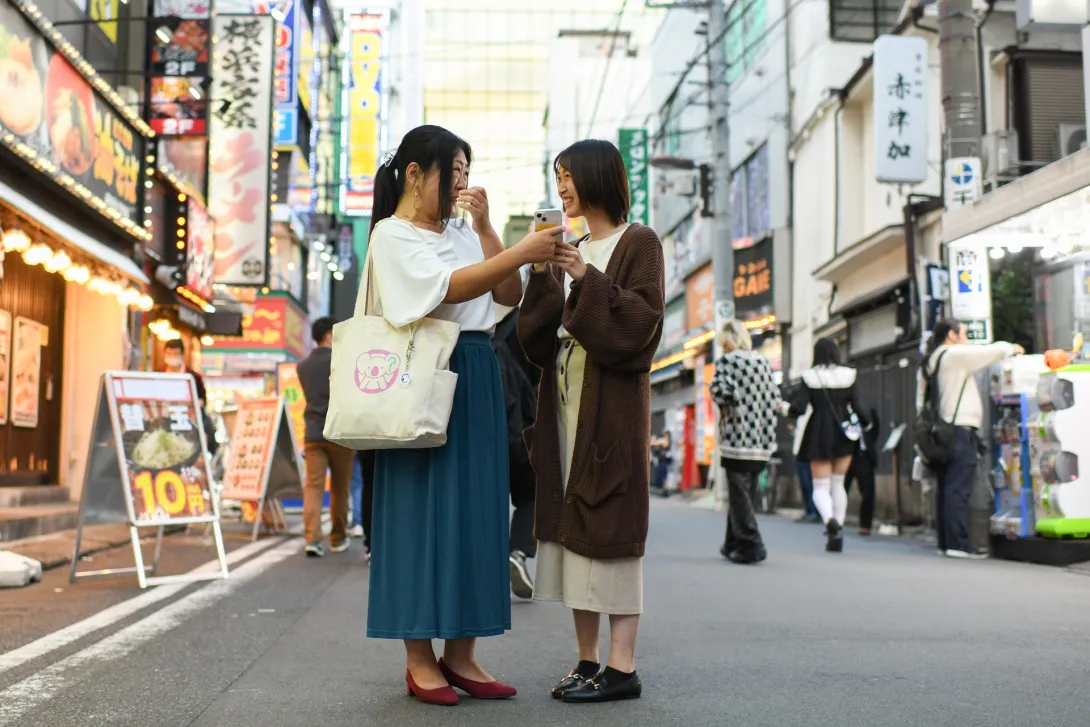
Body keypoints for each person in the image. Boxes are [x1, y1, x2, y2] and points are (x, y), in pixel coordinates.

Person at [365, 124, 564, 706]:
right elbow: (445, 291)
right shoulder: (390, 236)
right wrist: (525, 251)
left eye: (466, 174)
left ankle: (463, 654)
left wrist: (486, 230)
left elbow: (506, 297)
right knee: (418, 515)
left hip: (475, 371)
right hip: (419, 370)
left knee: (478, 514)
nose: (460, 185)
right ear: (414, 174)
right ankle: (419, 658)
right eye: (452, 172)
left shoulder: (459, 231)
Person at [519, 139, 665, 704]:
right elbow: (536, 340)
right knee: (573, 531)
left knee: (613, 529)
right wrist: (542, 276)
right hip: (563, 404)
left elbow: (641, 329)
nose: (562, 188)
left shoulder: (639, 242)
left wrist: (585, 276)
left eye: (569, 176)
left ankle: (621, 668)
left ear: (599, 177)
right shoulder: (574, 244)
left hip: (610, 408)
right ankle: (585, 661)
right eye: (557, 178)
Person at [919, 320, 1023, 559]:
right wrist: (1011, 348)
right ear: (952, 335)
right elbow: (986, 353)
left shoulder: (932, 360)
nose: (966, 338)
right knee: (958, 488)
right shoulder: (953, 355)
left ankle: (947, 543)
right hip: (958, 430)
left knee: (947, 487)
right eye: (964, 333)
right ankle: (958, 544)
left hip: (942, 432)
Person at [785, 338, 869, 553]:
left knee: (820, 486)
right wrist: (867, 425)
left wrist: (784, 408)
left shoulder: (810, 376)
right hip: (843, 432)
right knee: (838, 483)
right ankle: (838, 527)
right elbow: (858, 406)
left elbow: (800, 408)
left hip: (819, 432)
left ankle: (829, 521)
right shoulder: (849, 374)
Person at [709, 319, 781, 565]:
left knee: (739, 495)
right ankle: (732, 543)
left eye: (723, 343)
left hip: (737, 438)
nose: (723, 347)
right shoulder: (762, 361)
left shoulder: (728, 362)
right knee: (744, 495)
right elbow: (774, 397)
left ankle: (752, 544)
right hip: (761, 440)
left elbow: (720, 391)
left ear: (729, 340)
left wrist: (734, 399)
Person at [492, 302, 541, 599]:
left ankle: (482, 562)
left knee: (487, 497)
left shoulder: (476, 319)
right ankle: (518, 551)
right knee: (532, 492)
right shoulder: (526, 322)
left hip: (482, 425)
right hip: (520, 423)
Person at [297, 316, 355, 558]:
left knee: (313, 486)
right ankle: (337, 537)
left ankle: (311, 538)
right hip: (339, 431)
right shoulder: (341, 360)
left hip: (312, 432)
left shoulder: (303, 366)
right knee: (340, 488)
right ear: (330, 336)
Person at [162, 339, 215, 455]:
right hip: (164, 421)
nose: (172, 357)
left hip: (187, 422)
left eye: (175, 354)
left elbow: (202, 400)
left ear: (182, 355)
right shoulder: (158, 374)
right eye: (169, 354)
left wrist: (195, 404)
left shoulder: (193, 377)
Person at [844, 408, 879, 535]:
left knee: (868, 492)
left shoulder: (867, 412)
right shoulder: (840, 412)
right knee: (840, 489)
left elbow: (875, 430)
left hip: (864, 456)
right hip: (846, 455)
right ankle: (835, 521)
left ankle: (865, 524)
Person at [650, 429, 673, 496]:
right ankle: (664, 490)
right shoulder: (665, 440)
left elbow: (654, 443)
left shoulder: (666, 440)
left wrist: (653, 440)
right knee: (663, 476)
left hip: (664, 461)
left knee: (664, 475)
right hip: (662, 460)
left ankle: (665, 490)